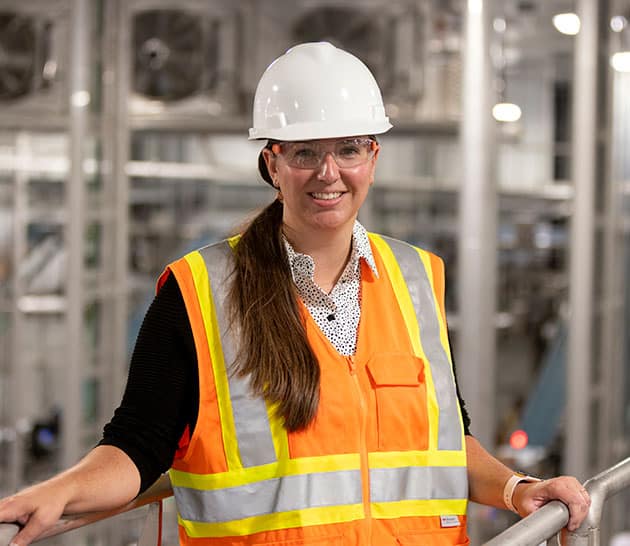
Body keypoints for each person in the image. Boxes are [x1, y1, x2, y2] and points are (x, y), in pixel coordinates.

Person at [0, 41, 590, 546]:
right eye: (305, 152)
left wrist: (518, 489)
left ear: (373, 158)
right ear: (272, 162)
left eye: (349, 149)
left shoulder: (417, 278)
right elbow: (138, 444)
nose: (329, 172)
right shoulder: (201, 291)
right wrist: (59, 491)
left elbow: (444, 441)